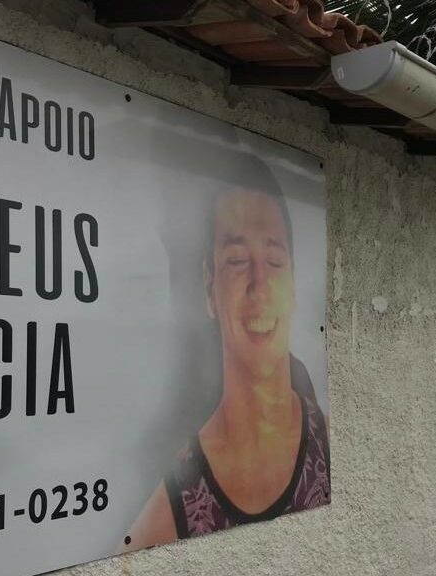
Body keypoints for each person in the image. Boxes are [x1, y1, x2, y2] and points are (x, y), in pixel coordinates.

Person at [122, 172, 330, 552]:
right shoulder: (173, 505)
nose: (259, 286)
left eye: (275, 261)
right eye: (236, 261)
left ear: (294, 285)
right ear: (209, 289)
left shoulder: (330, 444)